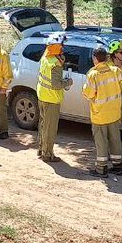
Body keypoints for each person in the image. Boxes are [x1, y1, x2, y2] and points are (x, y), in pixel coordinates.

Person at [82, 46, 122, 177]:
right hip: (114, 114)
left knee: (101, 141)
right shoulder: (115, 70)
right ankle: (117, 166)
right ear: (107, 57)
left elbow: (88, 94)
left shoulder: (93, 74)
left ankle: (101, 169)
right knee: (115, 140)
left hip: (100, 115)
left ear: (95, 59)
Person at [36, 32, 72, 162]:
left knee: (43, 125)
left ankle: (41, 149)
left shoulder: (46, 57)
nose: (63, 48)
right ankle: (47, 154)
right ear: (56, 47)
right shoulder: (55, 65)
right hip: (52, 99)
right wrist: (68, 82)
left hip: (42, 96)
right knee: (50, 128)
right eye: (61, 45)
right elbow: (56, 85)